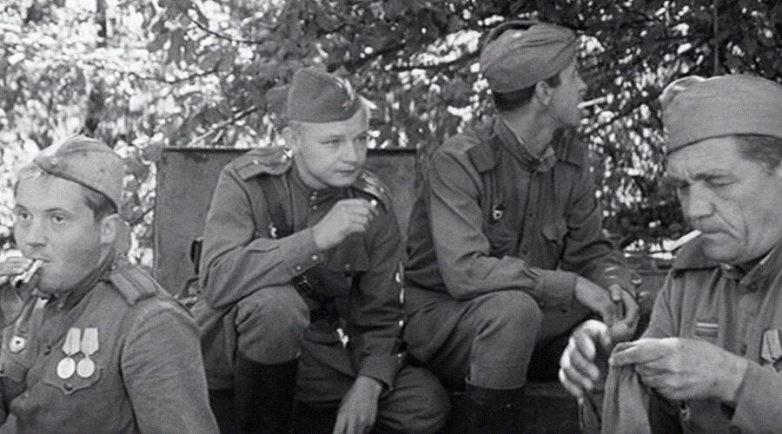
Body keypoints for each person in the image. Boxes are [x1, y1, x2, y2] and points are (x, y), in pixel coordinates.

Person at [402, 20, 640, 433]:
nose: (583, 86)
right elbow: (465, 273)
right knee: (513, 312)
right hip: (449, 329)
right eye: (574, 75)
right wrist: (571, 286)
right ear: (544, 92)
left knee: (643, 311)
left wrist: (615, 286)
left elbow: (591, 251)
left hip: (531, 323)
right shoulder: (458, 163)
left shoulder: (570, 159)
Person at [193, 66, 449, 433]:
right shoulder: (247, 183)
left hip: (315, 354)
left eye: (360, 139)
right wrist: (314, 240)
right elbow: (217, 280)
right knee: (276, 307)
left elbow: (381, 314)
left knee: (423, 405)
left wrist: (369, 383)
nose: (352, 155)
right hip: (238, 353)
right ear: (293, 139)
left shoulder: (370, 203)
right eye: (333, 142)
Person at [559, 74, 782, 433]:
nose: (694, 210)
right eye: (682, 186)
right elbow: (655, 421)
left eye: (718, 181)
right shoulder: (691, 276)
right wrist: (609, 377)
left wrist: (735, 381)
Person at [0, 136, 218, 433]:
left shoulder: (150, 323)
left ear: (106, 230)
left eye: (58, 218)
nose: (32, 238)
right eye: (24, 216)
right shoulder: (20, 299)